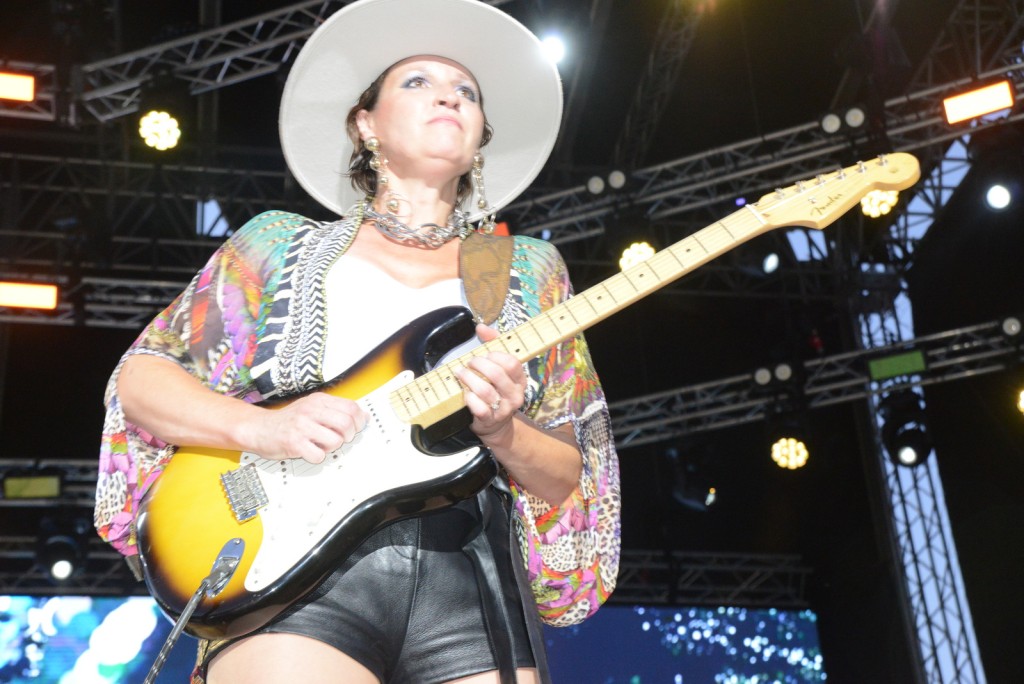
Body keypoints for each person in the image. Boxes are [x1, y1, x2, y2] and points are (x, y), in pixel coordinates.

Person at [93, 0, 620, 682]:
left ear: (480, 138)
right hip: (292, 569)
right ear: (364, 123)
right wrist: (265, 428)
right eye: (419, 82)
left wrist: (503, 431)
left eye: (467, 92)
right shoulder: (277, 243)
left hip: (472, 569)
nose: (450, 98)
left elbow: (567, 471)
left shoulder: (529, 269)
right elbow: (142, 379)